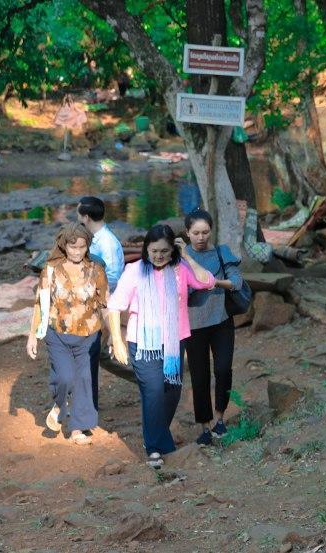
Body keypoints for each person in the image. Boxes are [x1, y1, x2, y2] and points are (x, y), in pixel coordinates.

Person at [106, 223, 216, 468]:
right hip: (142, 343)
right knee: (153, 391)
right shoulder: (134, 270)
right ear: (146, 249)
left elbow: (208, 281)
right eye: (154, 251)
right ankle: (157, 448)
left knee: (171, 392)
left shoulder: (181, 269)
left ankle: (157, 435)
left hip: (174, 342)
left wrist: (187, 256)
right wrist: (117, 340)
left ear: (172, 250)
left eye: (164, 251)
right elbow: (114, 306)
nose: (158, 256)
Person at [25, 224, 109, 445]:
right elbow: (40, 304)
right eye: (73, 247)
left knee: (84, 380)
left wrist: (112, 335)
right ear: (64, 246)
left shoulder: (96, 269)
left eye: (82, 247)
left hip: (89, 335)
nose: (78, 252)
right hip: (57, 334)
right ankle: (59, 405)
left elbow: (105, 304)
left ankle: (77, 429)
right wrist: (32, 336)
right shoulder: (51, 269)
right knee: (65, 378)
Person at [182, 209, 245, 446]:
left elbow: (236, 282)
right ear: (187, 233)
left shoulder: (221, 252)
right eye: (196, 233)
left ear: (211, 231)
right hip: (193, 324)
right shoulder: (181, 257)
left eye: (205, 232)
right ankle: (204, 426)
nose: (201, 237)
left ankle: (220, 418)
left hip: (221, 321)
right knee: (199, 376)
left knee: (223, 369)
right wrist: (194, 284)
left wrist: (214, 282)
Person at [78, 196, 125, 410]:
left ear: (86, 217)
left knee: (94, 355)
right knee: (97, 356)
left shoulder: (107, 242)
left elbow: (113, 278)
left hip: (102, 307)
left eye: (79, 214)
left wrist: (87, 286)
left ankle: (149, 382)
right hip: (89, 307)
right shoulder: (92, 239)